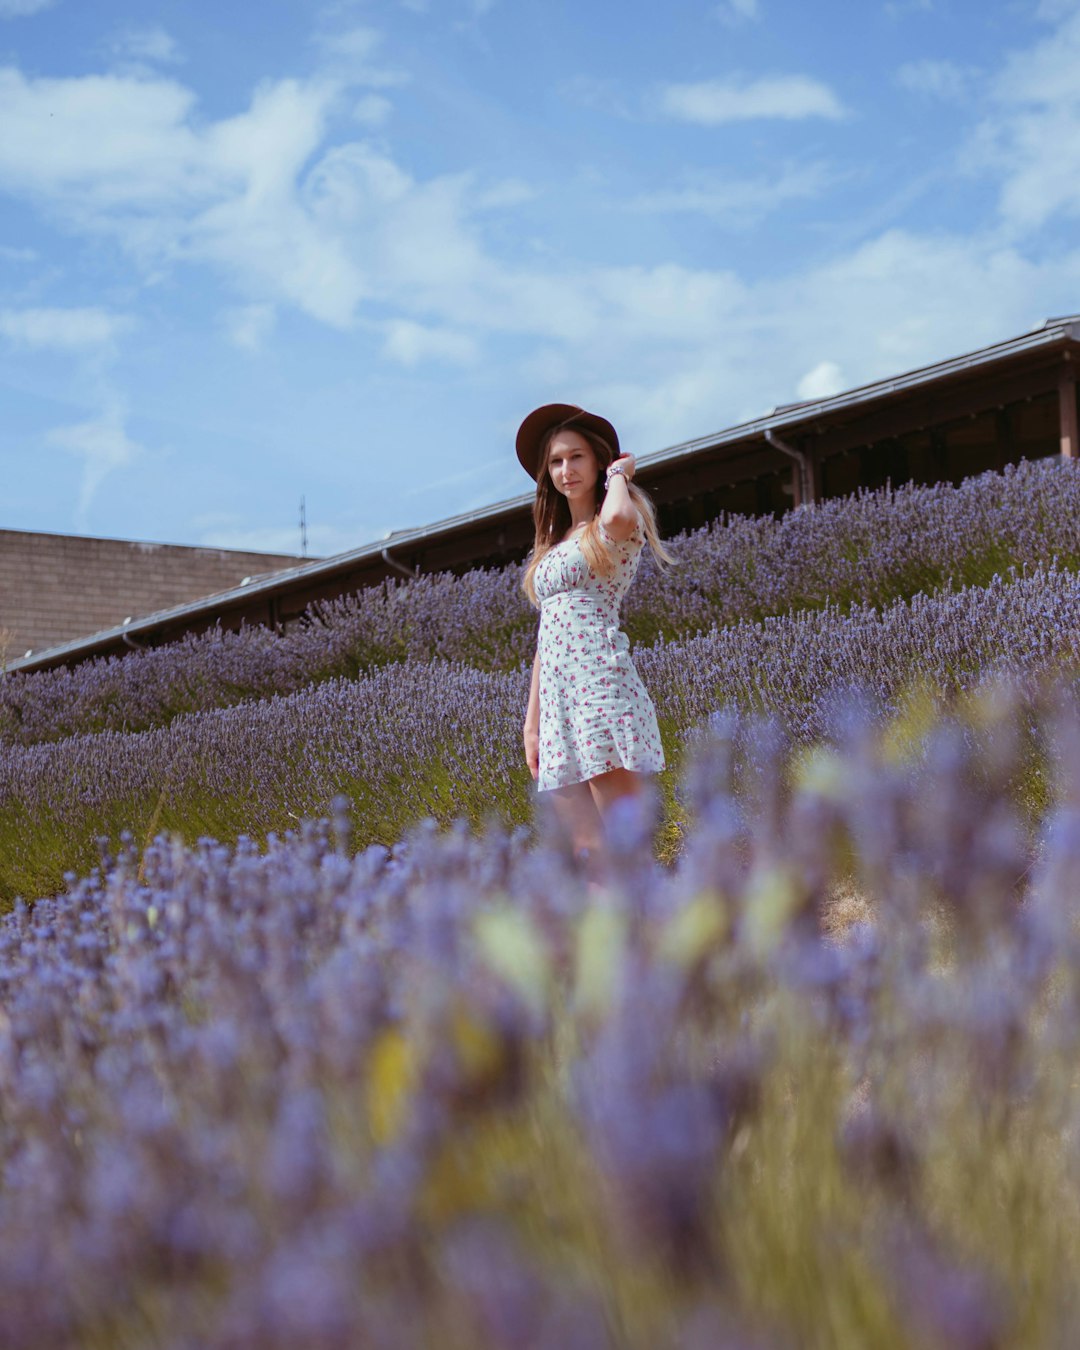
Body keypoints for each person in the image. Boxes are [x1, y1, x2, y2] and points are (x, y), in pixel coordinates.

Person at [516, 403, 676, 874]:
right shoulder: (554, 541)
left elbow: (619, 520)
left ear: (598, 461)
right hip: (559, 704)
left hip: (601, 690)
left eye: (577, 457)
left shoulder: (614, 522)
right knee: (589, 854)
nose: (566, 470)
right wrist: (532, 720)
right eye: (556, 462)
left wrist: (622, 476)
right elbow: (546, 639)